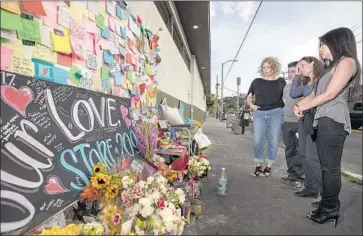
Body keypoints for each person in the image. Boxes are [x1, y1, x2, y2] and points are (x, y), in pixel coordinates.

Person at [293, 27, 361, 226]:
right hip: (323, 117)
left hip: (333, 118)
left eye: (324, 44)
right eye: (320, 45)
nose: (320, 49)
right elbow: (315, 94)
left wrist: (304, 106)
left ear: (338, 42)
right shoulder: (331, 67)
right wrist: (300, 106)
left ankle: (331, 207)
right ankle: (327, 202)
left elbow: (330, 94)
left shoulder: (347, 62)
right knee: (325, 166)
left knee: (330, 168)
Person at [290, 57, 324, 201]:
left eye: (303, 65)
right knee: (303, 153)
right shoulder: (305, 83)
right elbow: (293, 93)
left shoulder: (321, 80)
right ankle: (310, 187)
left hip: (316, 120)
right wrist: (298, 75)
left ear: (313, 63)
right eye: (299, 67)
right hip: (303, 119)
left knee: (313, 157)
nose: (301, 68)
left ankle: (324, 194)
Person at [246, 57, 286, 177]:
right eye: (263, 67)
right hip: (260, 113)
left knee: (273, 140)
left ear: (274, 67)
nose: (265, 69)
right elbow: (249, 96)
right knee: (257, 140)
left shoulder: (281, 81)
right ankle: (258, 165)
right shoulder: (256, 82)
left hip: (276, 112)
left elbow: (286, 97)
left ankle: (268, 167)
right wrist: (252, 105)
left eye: (268, 67)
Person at [280, 61, 305, 189]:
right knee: (289, 150)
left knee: (299, 151)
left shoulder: (304, 85)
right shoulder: (286, 88)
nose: (290, 74)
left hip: (298, 122)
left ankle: (299, 179)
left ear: (300, 71)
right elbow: (285, 104)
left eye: (293, 71)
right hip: (286, 123)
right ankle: (291, 176)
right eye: (289, 72)